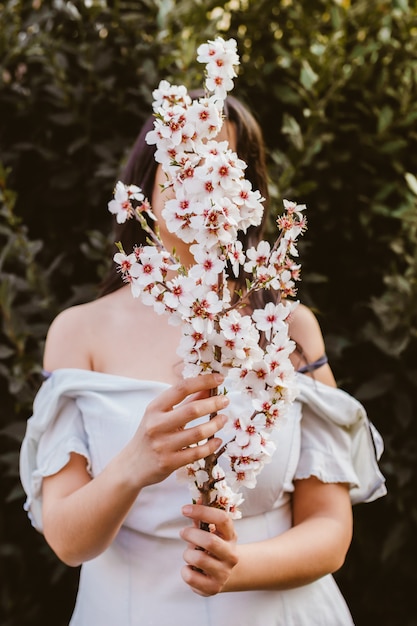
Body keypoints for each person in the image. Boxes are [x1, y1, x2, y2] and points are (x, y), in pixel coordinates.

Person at [19, 93, 386, 626]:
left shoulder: (288, 329)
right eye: (182, 162)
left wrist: (238, 567)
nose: (199, 181)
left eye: (218, 164)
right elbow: (68, 541)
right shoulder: (80, 333)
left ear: (247, 191)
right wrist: (133, 464)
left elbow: (329, 530)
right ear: (146, 183)